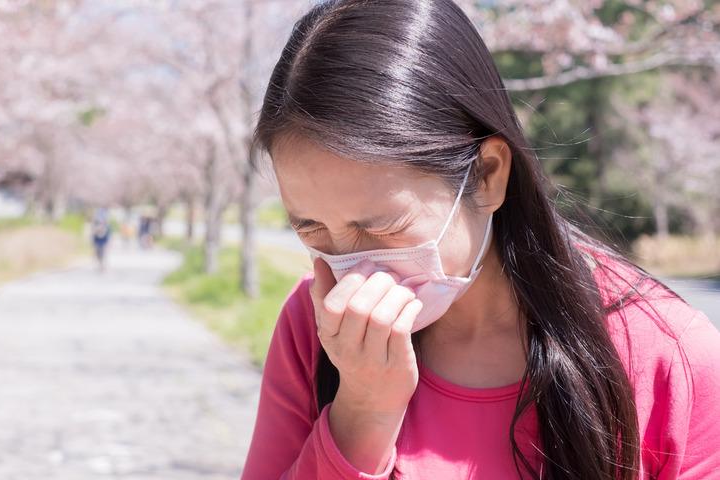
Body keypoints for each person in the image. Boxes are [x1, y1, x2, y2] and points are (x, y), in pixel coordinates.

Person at [240, 1, 720, 479]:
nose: (353, 275)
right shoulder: (314, 327)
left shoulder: (665, 352)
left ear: (488, 175)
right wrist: (363, 411)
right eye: (313, 230)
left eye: (382, 228)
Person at [90, 208, 111, 272]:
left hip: (104, 240)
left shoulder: (106, 224)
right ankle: (100, 264)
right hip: (97, 240)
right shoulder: (95, 223)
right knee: (98, 253)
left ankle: (102, 265)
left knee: (103, 253)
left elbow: (108, 234)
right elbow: (93, 233)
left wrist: (109, 242)